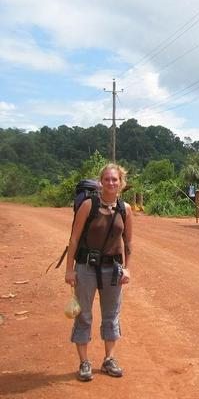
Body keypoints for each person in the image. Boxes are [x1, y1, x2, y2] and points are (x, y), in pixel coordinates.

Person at [65, 163, 133, 382]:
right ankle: (84, 362)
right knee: (84, 314)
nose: (111, 183)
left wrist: (127, 268)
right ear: (100, 182)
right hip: (85, 267)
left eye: (115, 179)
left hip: (112, 269)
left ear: (121, 183)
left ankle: (109, 359)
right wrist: (69, 270)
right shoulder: (88, 205)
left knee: (111, 315)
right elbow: (74, 239)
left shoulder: (126, 209)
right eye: (107, 179)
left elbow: (128, 242)